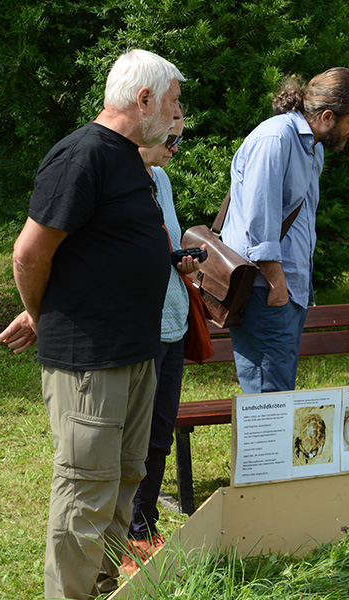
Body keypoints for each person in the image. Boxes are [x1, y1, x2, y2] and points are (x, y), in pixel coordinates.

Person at [0, 49, 185, 599]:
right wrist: (39, 312)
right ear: (143, 98)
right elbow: (29, 255)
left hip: (136, 350)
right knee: (86, 491)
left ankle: (105, 590)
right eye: (171, 104)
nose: (176, 117)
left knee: (126, 480)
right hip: (89, 358)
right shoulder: (82, 156)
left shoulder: (132, 158)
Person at [222, 68, 349, 394]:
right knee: (268, 401)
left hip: (288, 290)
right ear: (328, 116)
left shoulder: (312, 146)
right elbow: (259, 223)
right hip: (265, 289)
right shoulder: (275, 139)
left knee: (280, 394)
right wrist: (277, 284)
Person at [121, 114, 199, 575]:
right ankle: (127, 532)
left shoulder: (162, 179)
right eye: (171, 137)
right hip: (139, 329)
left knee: (160, 433)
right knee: (134, 435)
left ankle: (144, 526)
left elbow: (161, 242)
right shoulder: (119, 178)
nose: (176, 145)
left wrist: (182, 262)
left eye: (180, 137)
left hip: (173, 322)